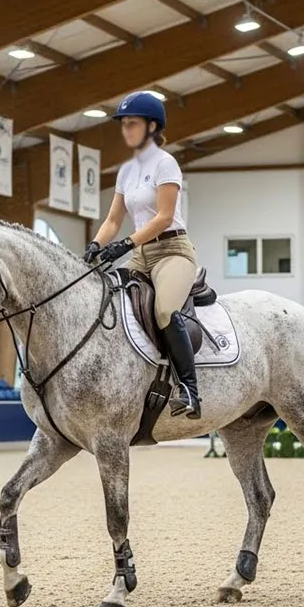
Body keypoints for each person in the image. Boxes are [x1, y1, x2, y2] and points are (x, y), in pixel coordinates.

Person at [83, 91, 201, 419]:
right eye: (124, 124)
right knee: (103, 297)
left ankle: (190, 390)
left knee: (165, 311)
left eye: (132, 124)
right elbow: (112, 220)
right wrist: (94, 246)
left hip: (172, 250)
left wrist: (126, 244)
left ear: (152, 126)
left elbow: (164, 216)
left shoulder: (166, 163)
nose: (126, 130)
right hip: (141, 253)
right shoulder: (126, 172)